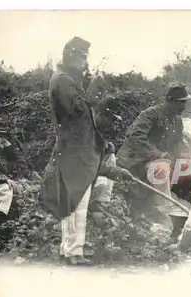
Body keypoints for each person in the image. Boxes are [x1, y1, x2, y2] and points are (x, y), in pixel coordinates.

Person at [39, 36, 134, 266]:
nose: (85, 62)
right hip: (74, 149)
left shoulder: (67, 80)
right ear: (71, 56)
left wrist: (100, 144)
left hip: (76, 148)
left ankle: (69, 248)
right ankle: (73, 252)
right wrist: (94, 91)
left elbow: (84, 121)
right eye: (82, 57)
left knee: (74, 200)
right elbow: (79, 116)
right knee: (75, 200)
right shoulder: (63, 81)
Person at [116, 84, 191, 228]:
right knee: (161, 169)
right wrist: (158, 154)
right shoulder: (150, 115)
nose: (184, 106)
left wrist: (186, 156)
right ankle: (165, 214)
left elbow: (178, 142)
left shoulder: (177, 120)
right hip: (137, 160)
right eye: (181, 102)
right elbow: (136, 138)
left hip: (159, 160)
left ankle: (190, 210)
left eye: (185, 102)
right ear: (171, 101)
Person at [0, 134, 19, 227]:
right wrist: (4, 178)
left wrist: (9, 148)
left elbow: (16, 163)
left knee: (6, 188)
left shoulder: (2, 154)